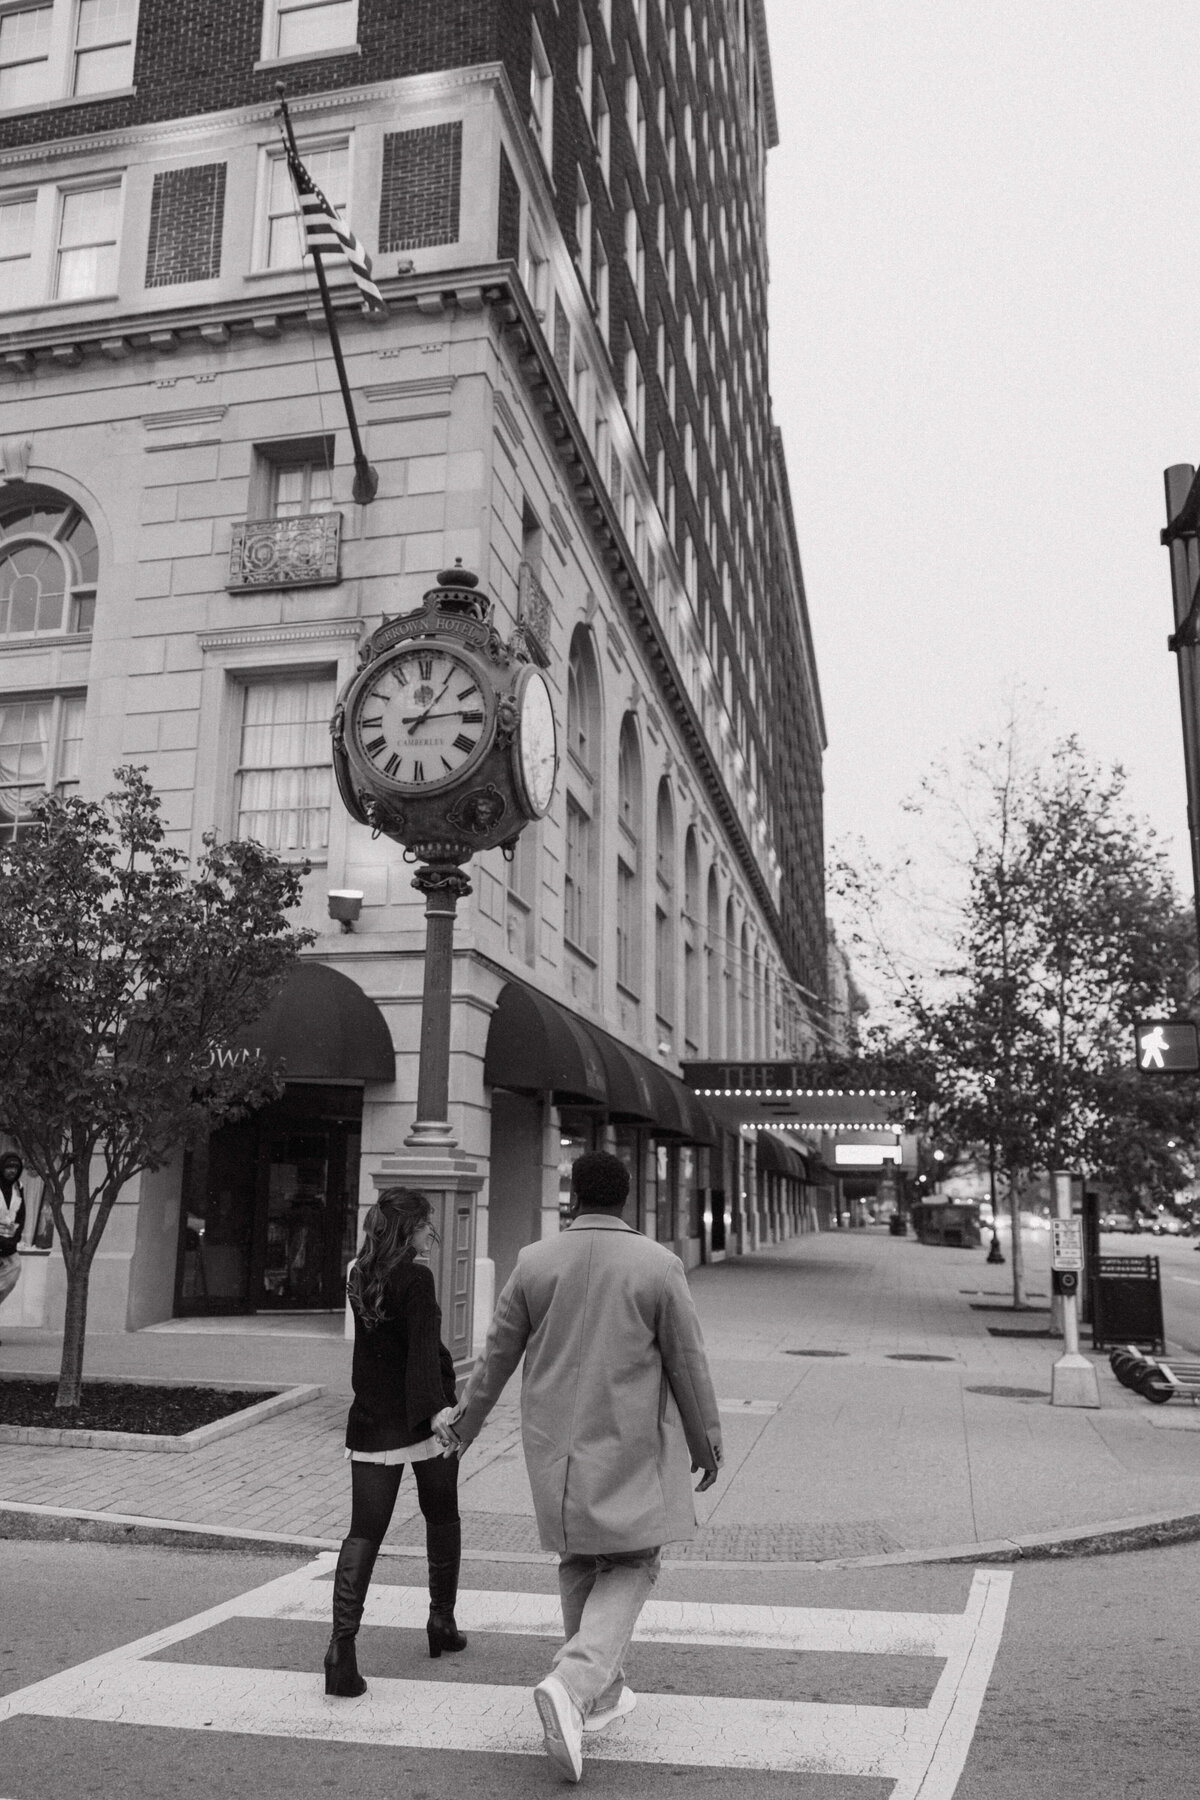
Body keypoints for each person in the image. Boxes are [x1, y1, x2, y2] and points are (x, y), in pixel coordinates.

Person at [444, 1151, 722, 1783]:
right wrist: (706, 1445)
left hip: (554, 1445)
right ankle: (572, 1686)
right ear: (625, 1201)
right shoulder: (657, 1265)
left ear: (572, 1196)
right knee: (634, 1559)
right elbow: (687, 1361)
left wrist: (463, 1426)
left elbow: (495, 1357)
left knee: (578, 1557)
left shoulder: (535, 1262)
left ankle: (600, 1693)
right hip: (628, 1442)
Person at [325, 1187, 466, 1698]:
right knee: (442, 1516)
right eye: (428, 1224)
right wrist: (437, 1413)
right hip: (420, 1421)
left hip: (372, 1420)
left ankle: (342, 1647)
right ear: (410, 1229)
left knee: (363, 1532)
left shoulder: (360, 1273)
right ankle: (441, 1621)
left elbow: (374, 1353)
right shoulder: (417, 1277)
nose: (433, 1233)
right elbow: (424, 1352)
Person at [0, 1152, 27, 1338]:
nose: (11, 1171)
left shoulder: (19, 1187)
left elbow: (21, 1215)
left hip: (9, 1242)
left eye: (15, 1168)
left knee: (15, 1268)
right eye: (8, 1167)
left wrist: (14, 1240)